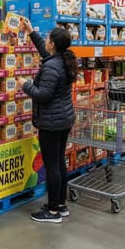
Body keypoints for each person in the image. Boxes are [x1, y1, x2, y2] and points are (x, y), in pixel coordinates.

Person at [17, 19, 78, 224]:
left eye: (47, 38)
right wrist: (31, 31)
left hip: (52, 122)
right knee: (59, 162)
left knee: (52, 165)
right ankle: (60, 204)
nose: (45, 40)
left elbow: (43, 95)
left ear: (53, 43)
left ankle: (52, 212)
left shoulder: (52, 67)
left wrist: (25, 85)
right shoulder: (61, 59)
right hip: (63, 119)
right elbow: (45, 54)